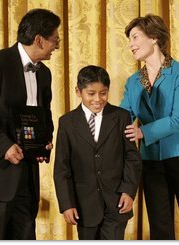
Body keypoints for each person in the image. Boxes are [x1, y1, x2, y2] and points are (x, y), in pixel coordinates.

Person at [0, 8, 61, 240]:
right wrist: (4, 146)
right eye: (55, 40)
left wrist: (43, 141)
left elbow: (44, 114)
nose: (57, 46)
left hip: (26, 176)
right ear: (39, 40)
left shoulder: (44, 74)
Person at [120, 14, 179, 240]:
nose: (130, 45)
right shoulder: (133, 81)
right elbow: (122, 117)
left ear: (153, 37)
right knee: (159, 227)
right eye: (129, 40)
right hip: (151, 160)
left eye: (135, 37)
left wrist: (143, 131)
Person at [53, 65, 142, 240]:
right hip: (84, 207)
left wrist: (128, 191)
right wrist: (66, 204)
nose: (98, 99)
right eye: (91, 93)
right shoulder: (67, 122)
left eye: (103, 93)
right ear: (78, 91)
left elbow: (132, 157)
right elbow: (62, 168)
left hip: (116, 203)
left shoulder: (122, 116)